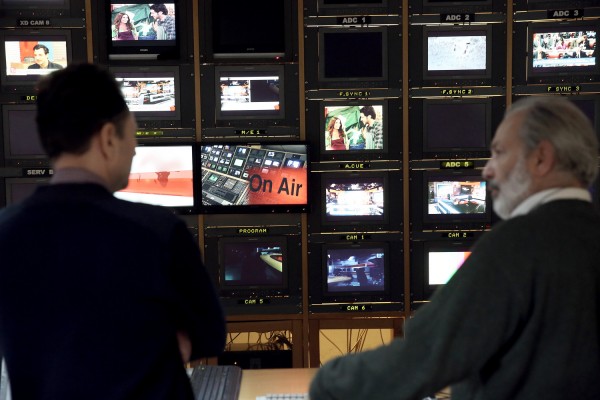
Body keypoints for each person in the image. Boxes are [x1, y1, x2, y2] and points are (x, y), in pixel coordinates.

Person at [309, 96, 600, 400]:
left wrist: (327, 383)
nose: (487, 171)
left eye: (499, 152)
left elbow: (425, 356)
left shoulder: (516, 244)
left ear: (541, 158)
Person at [0, 63, 226, 399]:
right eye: (132, 136)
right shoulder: (158, 232)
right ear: (108, 138)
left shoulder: (6, 233)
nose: (134, 149)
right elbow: (210, 335)